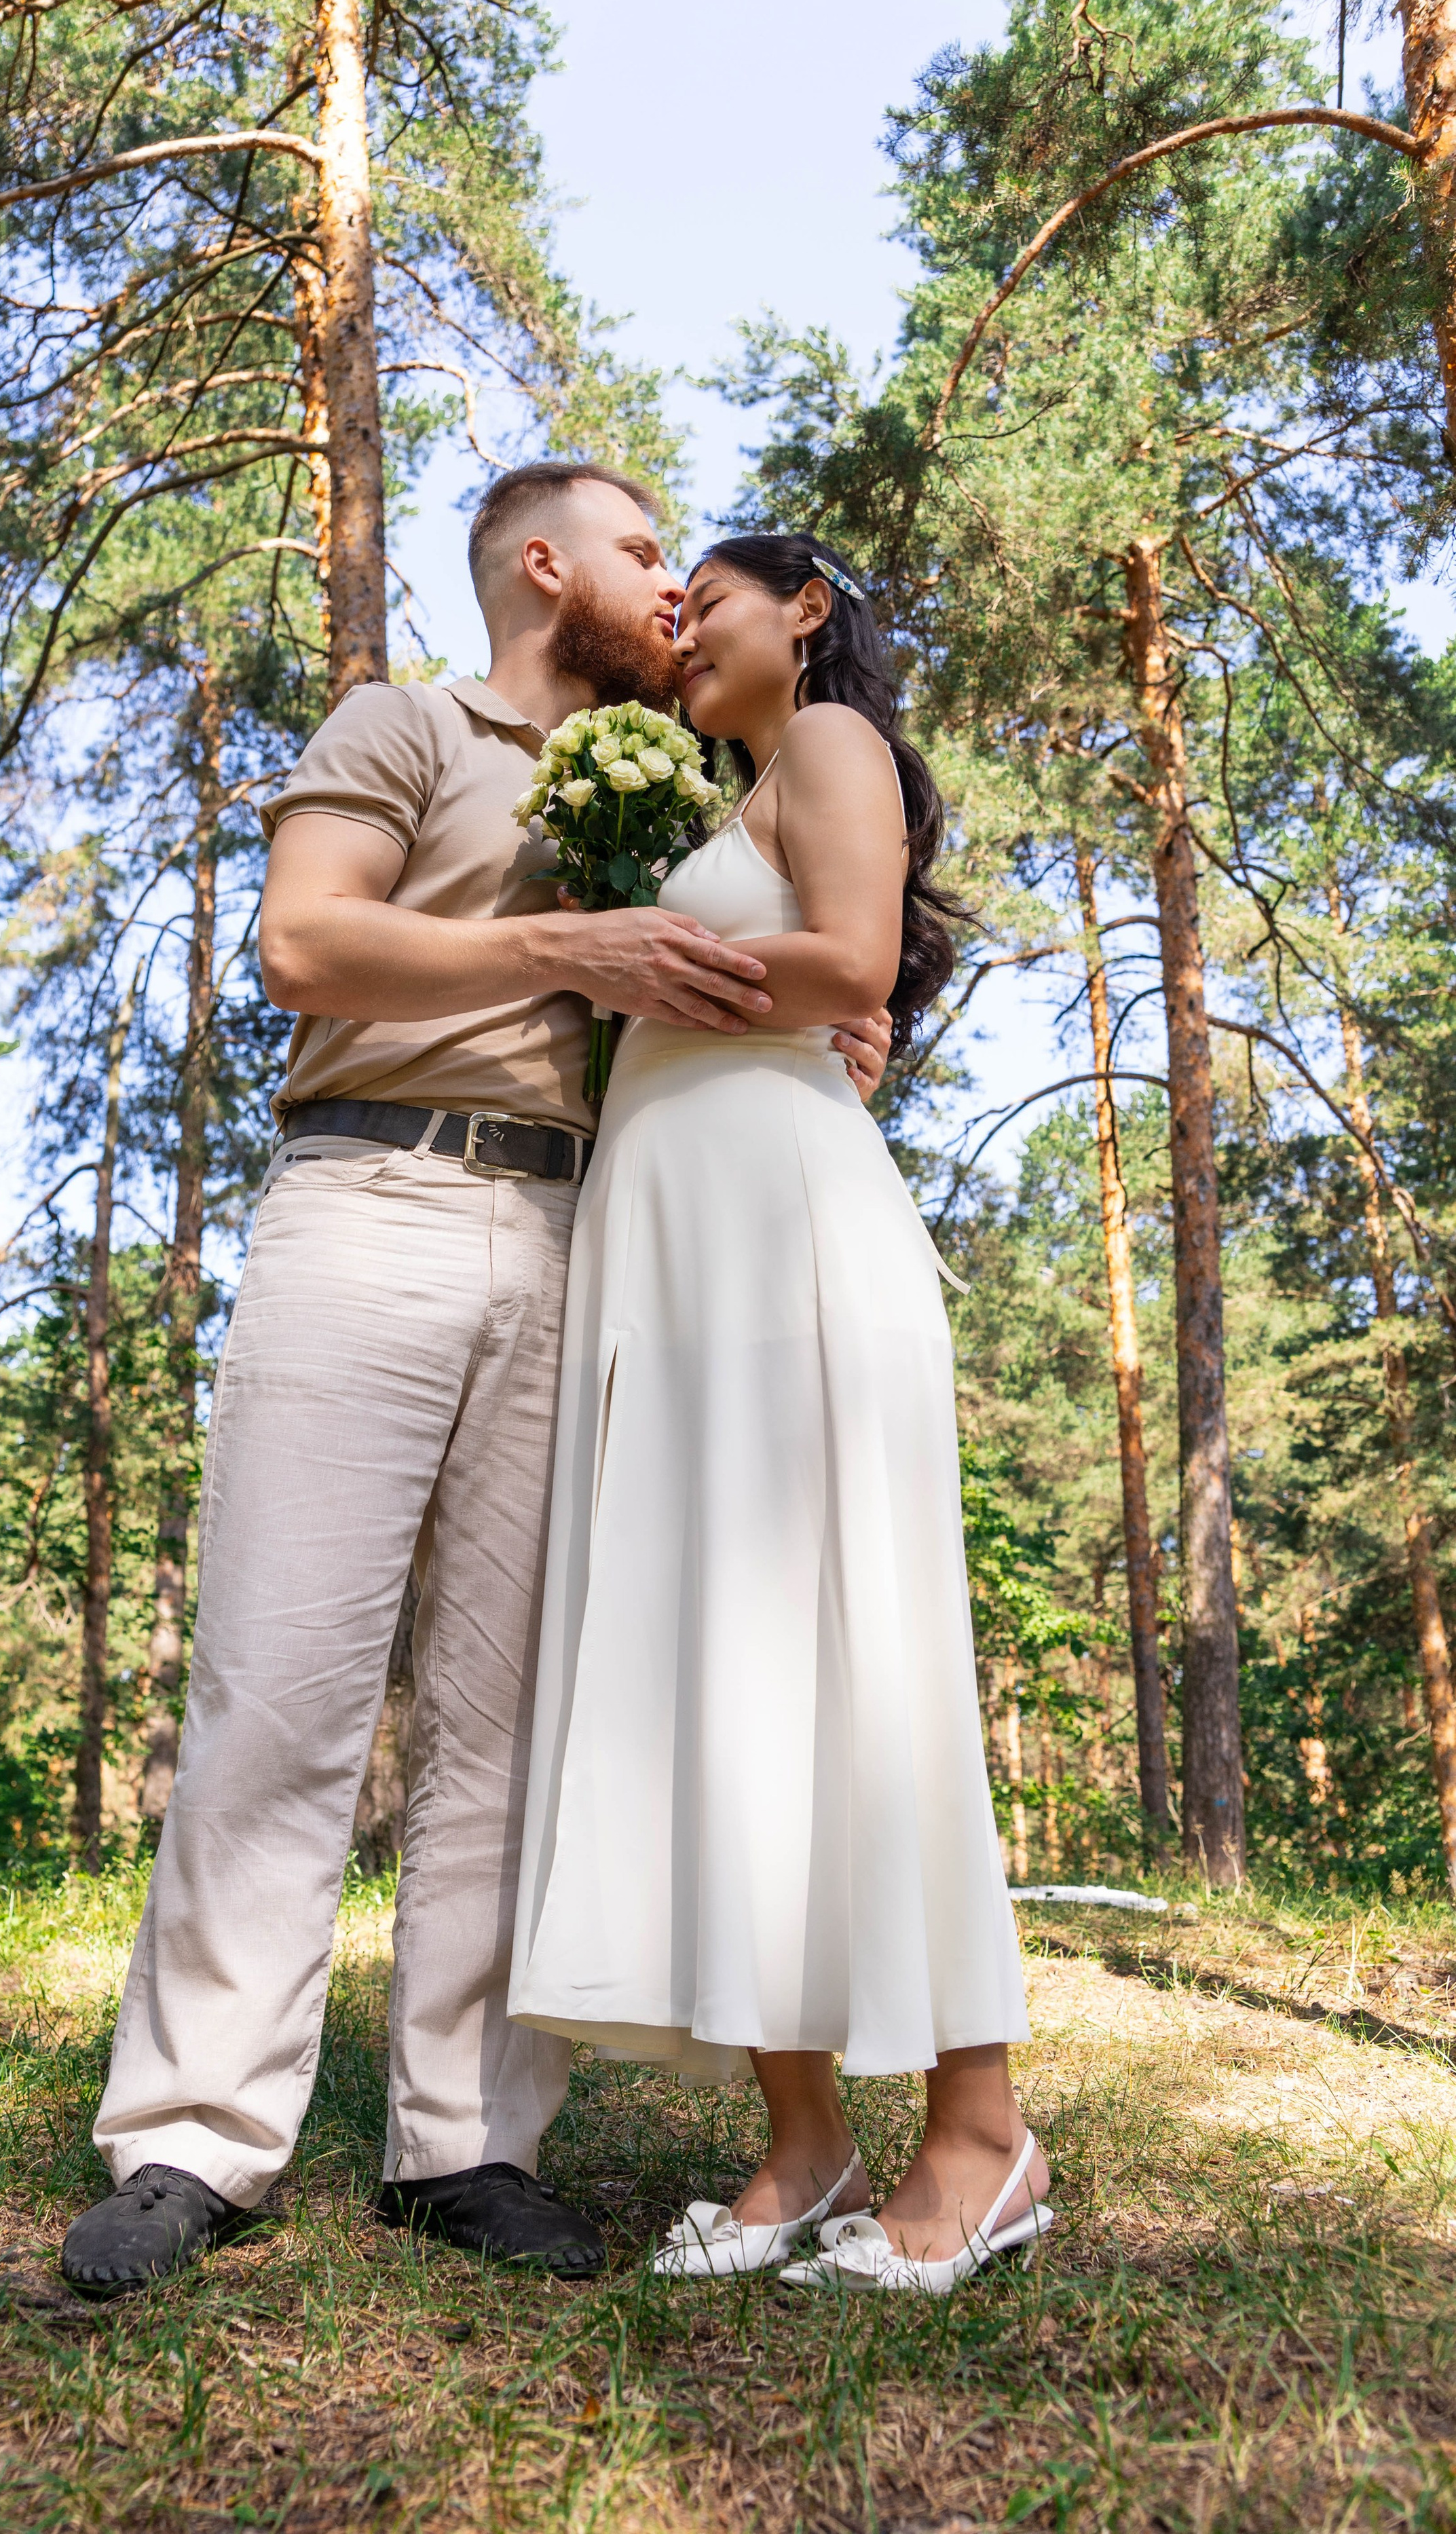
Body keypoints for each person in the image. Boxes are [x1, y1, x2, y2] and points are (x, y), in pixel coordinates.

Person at [58, 466, 893, 2298]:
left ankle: (469, 2141)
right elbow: (303, 945)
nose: (671, 587)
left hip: (590, 1239)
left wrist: (823, 1021)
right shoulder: (406, 725)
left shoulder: (693, 784)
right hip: (372, 1196)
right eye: (642, 551)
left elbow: (789, 957)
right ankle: (196, 2136)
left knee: (515, 1712)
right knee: (283, 1682)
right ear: (542, 563)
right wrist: (562, 945)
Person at [506, 532, 1053, 2294]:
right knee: (725, 1669)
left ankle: (981, 2131)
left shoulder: (827, 740)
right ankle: (804, 2139)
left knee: (859, 1655)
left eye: (714, 598)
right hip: (678, 1249)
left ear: (806, 609)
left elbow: (853, 968)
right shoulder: (718, 799)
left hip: (786, 1246)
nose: (683, 627)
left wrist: (635, 967)